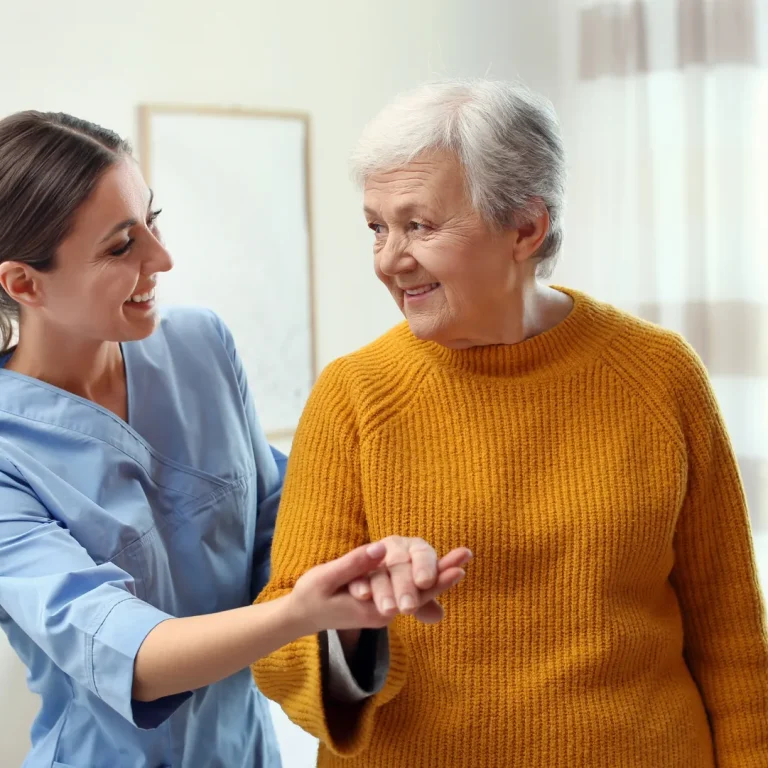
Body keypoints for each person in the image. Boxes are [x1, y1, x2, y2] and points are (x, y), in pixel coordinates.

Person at [252, 80, 768, 768]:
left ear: (526, 228)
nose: (388, 259)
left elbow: (732, 640)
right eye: (377, 226)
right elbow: (283, 651)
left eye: (420, 225)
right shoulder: (354, 394)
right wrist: (351, 623)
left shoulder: (659, 373)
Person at [0, 111, 471, 768]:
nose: (162, 258)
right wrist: (296, 615)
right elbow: (128, 657)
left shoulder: (200, 347)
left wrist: (363, 567)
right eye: (120, 247)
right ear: (24, 284)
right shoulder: (8, 453)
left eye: (152, 222)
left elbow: (281, 529)